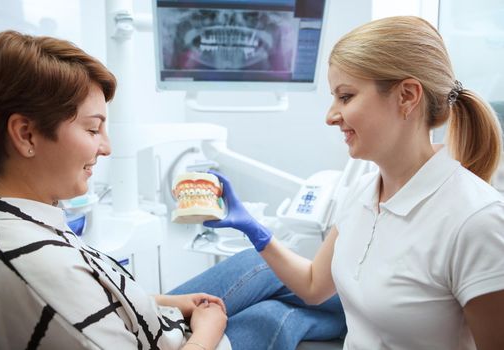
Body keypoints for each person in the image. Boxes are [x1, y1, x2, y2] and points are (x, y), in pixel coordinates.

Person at [185, 16, 504, 349]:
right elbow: (312, 286)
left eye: (346, 96)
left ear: (407, 96)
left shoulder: (475, 221)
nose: (330, 115)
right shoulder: (363, 192)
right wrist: (254, 229)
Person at [0, 30, 229, 350]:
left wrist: (167, 301)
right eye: (93, 129)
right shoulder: (35, 260)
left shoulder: (13, 220)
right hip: (190, 341)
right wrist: (208, 330)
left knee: (269, 276)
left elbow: (80, 304)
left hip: (162, 320)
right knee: (280, 312)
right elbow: (61, 294)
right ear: (26, 135)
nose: (106, 147)